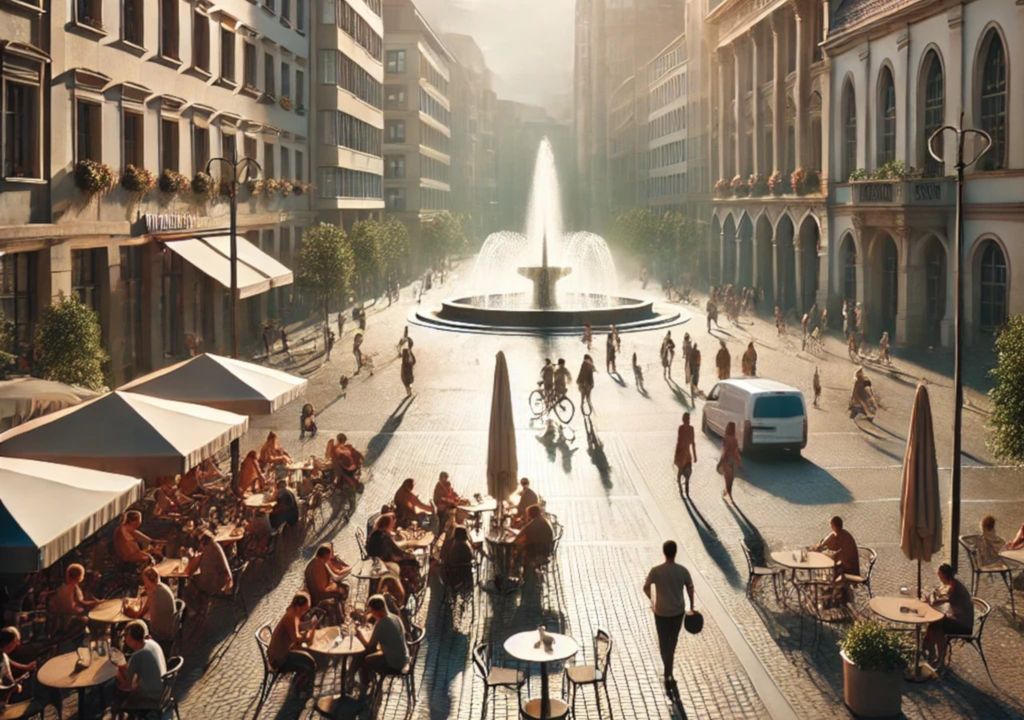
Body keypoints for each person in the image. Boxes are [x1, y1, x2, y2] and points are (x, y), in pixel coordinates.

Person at [643, 540, 695, 691]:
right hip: (677, 613)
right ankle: (668, 673)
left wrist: (653, 602)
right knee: (672, 642)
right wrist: (692, 606)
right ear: (675, 552)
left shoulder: (656, 571)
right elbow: (690, 588)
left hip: (661, 613)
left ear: (664, 552)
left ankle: (667, 672)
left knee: (663, 642)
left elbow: (646, 587)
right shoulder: (682, 571)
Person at [354, 595, 409, 693]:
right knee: (365, 653)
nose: (371, 613)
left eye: (371, 611)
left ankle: (364, 685)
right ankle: (357, 678)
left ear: (376, 610)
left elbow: (369, 645)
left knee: (366, 657)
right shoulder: (394, 617)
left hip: (395, 662)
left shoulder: (382, 623)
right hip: (403, 655)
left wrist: (359, 634)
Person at [267, 593, 318, 698]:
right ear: (298, 607)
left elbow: (297, 628)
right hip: (279, 659)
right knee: (310, 663)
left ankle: (302, 685)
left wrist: (308, 626)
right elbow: (297, 639)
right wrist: (310, 633)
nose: (305, 612)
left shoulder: (293, 612)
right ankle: (301, 690)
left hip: (282, 651)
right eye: (304, 609)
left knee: (308, 656)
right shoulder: (291, 617)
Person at [923, 564, 974, 669]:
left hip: (963, 625)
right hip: (959, 618)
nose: (940, 579)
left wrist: (931, 599)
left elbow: (939, 602)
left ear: (945, 576)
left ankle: (938, 656)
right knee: (934, 625)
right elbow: (944, 597)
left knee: (937, 627)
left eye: (940, 577)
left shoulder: (954, 589)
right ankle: (931, 649)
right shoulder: (954, 584)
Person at [115, 620, 167, 712]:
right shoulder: (152, 643)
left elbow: (128, 686)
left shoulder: (137, 656)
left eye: (125, 636)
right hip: (164, 688)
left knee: (119, 692)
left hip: (152, 696)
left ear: (130, 638)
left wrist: (117, 672)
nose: (124, 639)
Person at [123, 567, 177, 651]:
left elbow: (137, 614)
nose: (144, 584)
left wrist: (127, 607)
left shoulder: (157, 594)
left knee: (132, 629)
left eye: (145, 581)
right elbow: (145, 608)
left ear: (149, 581)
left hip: (160, 634)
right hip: (168, 628)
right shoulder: (160, 587)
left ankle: (129, 654)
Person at [185, 531, 232, 611]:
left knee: (187, 588)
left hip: (215, 584)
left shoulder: (205, 549)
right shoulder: (215, 545)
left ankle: (195, 611)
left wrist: (191, 557)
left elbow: (189, 570)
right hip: (225, 580)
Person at [304, 543, 350, 610]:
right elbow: (322, 589)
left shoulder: (311, 563)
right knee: (344, 589)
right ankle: (341, 613)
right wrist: (335, 587)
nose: (327, 561)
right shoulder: (319, 565)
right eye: (327, 558)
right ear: (325, 556)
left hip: (313, 594)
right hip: (319, 597)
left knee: (339, 586)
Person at [514, 505, 554, 573]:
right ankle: (521, 569)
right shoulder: (542, 519)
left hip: (540, 550)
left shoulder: (535, 523)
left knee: (518, 548)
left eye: (528, 514)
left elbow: (522, 532)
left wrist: (515, 540)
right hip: (546, 547)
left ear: (532, 514)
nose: (527, 515)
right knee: (523, 545)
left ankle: (518, 570)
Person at [674, 413, 697, 497]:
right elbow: (693, 443)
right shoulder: (691, 429)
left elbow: (679, 442)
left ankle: (681, 486)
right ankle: (686, 490)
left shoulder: (681, 428)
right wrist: (695, 456)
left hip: (681, 454)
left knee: (680, 472)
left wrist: (676, 455)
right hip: (687, 455)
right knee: (687, 472)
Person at [719, 421, 742, 501]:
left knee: (727, 478)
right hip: (732, 461)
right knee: (731, 479)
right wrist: (739, 462)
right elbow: (736, 452)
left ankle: (727, 492)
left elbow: (724, 450)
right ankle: (728, 492)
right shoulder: (735, 440)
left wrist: (721, 461)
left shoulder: (725, 438)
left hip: (726, 460)